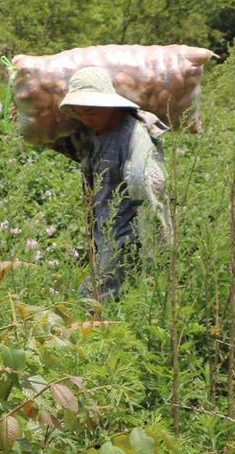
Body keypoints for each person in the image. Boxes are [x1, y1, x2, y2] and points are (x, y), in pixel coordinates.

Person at [49, 66, 173, 300]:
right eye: (80, 112)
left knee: (89, 300)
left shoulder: (136, 138)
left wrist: (160, 255)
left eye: (91, 111)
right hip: (103, 236)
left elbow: (153, 197)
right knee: (112, 305)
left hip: (127, 241)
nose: (86, 118)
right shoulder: (90, 134)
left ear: (109, 105)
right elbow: (58, 143)